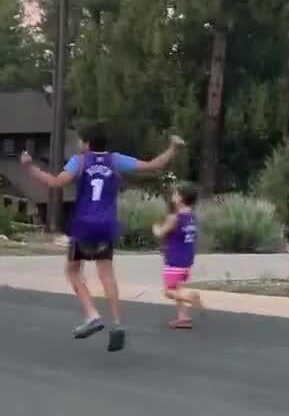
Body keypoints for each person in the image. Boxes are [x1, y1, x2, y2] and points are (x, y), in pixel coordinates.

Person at [21, 125, 184, 351]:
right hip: (107, 225)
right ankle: (117, 323)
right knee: (106, 273)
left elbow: (55, 183)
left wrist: (30, 168)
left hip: (84, 225)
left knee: (72, 270)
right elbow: (152, 166)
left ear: (87, 143)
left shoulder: (79, 162)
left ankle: (92, 315)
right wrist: (173, 149)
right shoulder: (115, 160)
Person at [153, 182, 202, 329]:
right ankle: (183, 317)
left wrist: (155, 228)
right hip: (186, 259)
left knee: (168, 292)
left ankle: (190, 297)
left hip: (174, 260)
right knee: (177, 287)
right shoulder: (192, 217)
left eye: (175, 193)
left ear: (180, 198)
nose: (173, 196)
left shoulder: (174, 218)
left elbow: (160, 232)